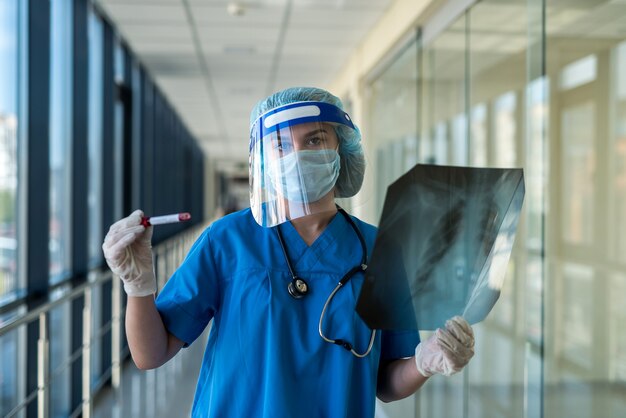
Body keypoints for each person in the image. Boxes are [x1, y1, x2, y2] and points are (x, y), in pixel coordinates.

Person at [102, 87, 475, 417]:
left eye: (314, 140)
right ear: (263, 160)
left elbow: (387, 383)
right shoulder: (228, 240)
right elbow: (150, 354)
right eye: (280, 145)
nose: (297, 155)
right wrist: (138, 286)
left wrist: (425, 363)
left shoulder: (379, 251)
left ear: (341, 149)